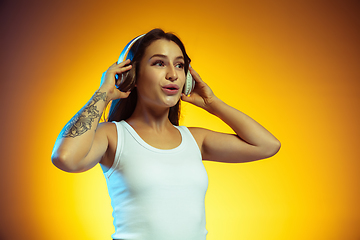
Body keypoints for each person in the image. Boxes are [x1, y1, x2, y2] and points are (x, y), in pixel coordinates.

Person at [51, 28, 280, 240]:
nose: (173, 74)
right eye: (159, 63)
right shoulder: (113, 135)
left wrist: (212, 102)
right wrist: (102, 94)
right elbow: (66, 158)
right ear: (133, 75)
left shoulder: (195, 140)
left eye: (179, 65)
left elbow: (267, 145)